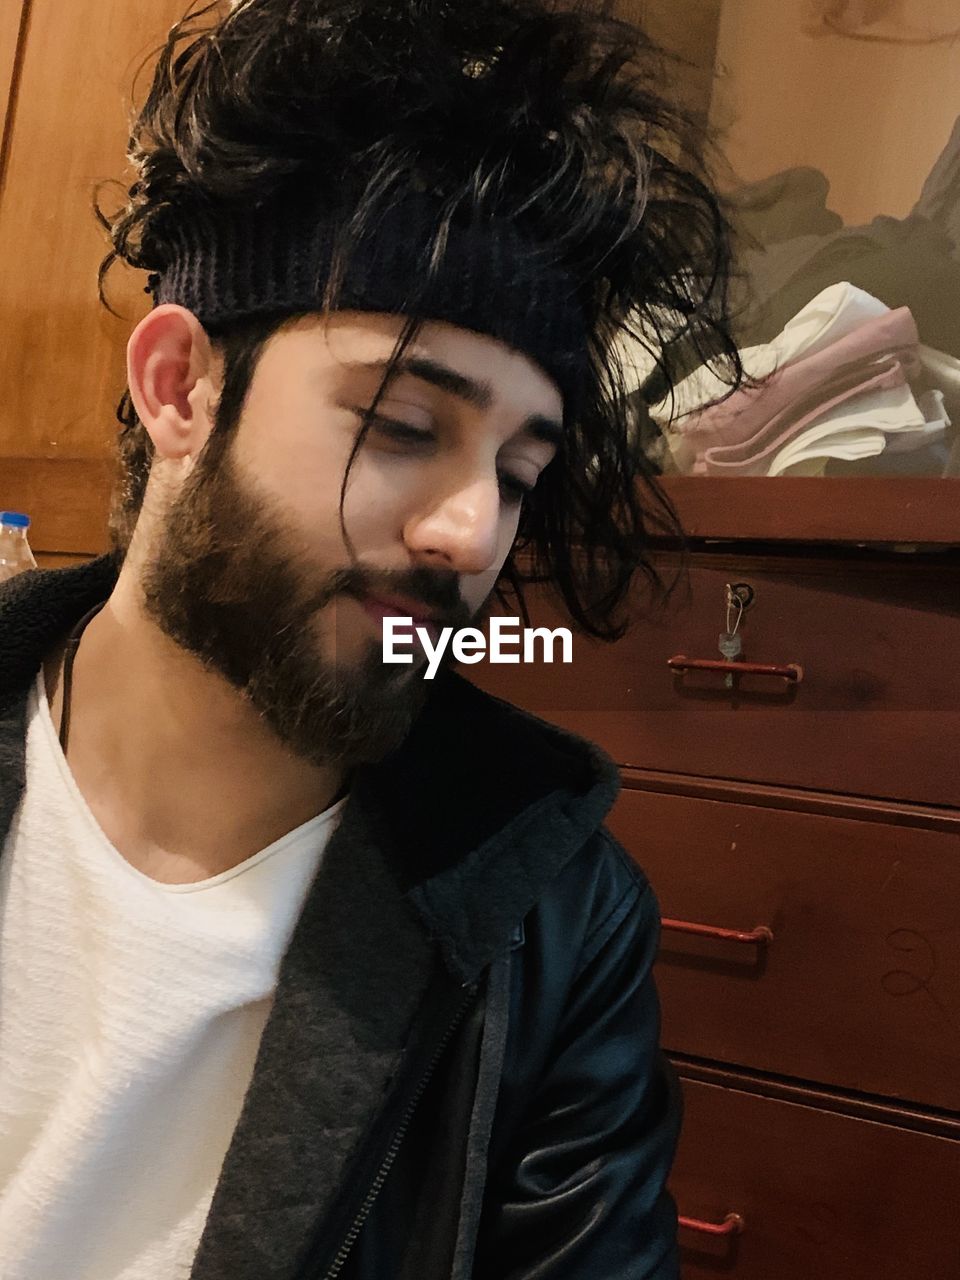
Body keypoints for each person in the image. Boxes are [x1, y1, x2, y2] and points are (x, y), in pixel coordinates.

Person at [0, 1, 741, 1276]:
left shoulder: (554, 922)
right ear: (180, 388)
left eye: (517, 471)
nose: (471, 530)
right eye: (402, 424)